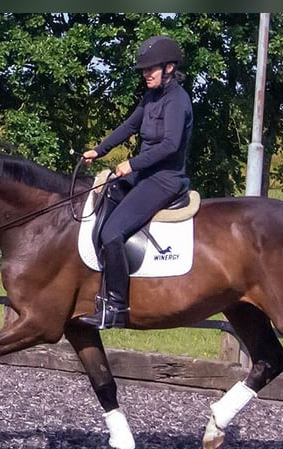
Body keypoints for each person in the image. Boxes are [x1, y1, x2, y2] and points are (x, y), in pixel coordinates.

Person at [79, 35, 194, 329]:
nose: (146, 74)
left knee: (112, 232)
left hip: (166, 181)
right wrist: (100, 149)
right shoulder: (151, 97)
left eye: (151, 68)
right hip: (144, 177)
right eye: (144, 70)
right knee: (101, 201)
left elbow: (169, 145)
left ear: (169, 67)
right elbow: (130, 125)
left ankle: (116, 306)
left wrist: (131, 164)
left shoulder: (178, 101)